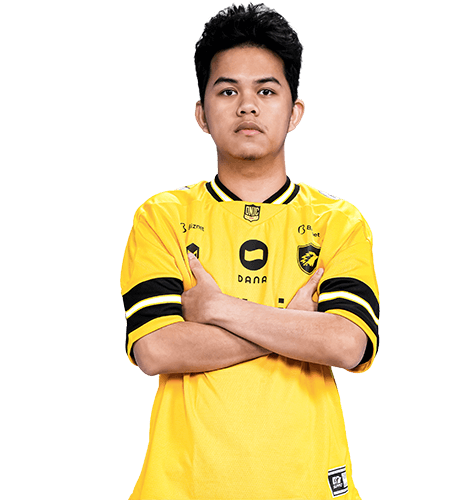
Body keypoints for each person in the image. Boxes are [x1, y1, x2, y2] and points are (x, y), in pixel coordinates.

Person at [121, 3, 379, 499]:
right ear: (201, 114)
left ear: (294, 112)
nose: (247, 106)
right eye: (227, 91)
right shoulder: (161, 216)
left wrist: (219, 309)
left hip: (308, 485)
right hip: (182, 488)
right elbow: (155, 350)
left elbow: (347, 345)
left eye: (266, 90)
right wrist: (295, 326)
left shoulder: (339, 221)